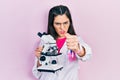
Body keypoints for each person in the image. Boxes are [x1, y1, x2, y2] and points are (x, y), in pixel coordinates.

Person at [32, 5, 92, 80]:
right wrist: (40, 60)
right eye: (57, 24)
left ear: (70, 22)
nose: (62, 28)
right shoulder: (45, 41)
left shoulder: (75, 40)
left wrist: (78, 49)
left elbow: (87, 55)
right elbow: (37, 73)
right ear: (52, 24)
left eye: (65, 23)